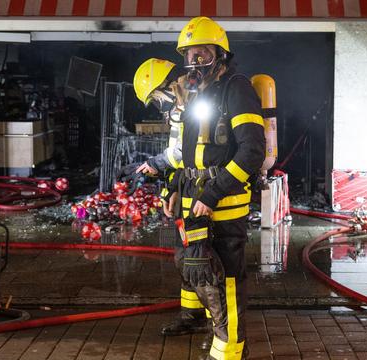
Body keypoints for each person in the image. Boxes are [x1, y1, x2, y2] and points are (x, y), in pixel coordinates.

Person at [166, 16, 266, 359]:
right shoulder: (199, 94)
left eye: (203, 55)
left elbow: (253, 150)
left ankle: (231, 351)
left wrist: (212, 193)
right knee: (200, 271)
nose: (195, 64)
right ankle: (207, 328)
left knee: (226, 279)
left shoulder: (236, 88)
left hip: (223, 204)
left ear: (221, 55)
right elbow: (188, 154)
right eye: (190, 56)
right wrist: (175, 188)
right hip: (194, 201)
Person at [132, 58, 211, 337]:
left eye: (155, 98)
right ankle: (192, 316)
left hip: (203, 197)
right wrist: (172, 188)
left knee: (199, 261)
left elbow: (184, 154)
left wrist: (156, 162)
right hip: (187, 192)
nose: (159, 106)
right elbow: (179, 159)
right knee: (184, 257)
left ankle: (221, 323)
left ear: (168, 85)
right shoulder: (182, 109)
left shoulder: (199, 105)